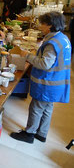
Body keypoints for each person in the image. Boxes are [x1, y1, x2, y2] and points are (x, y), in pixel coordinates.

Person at [10, 12, 71, 144]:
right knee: (47, 108)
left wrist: (27, 55)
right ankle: (41, 134)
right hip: (57, 82)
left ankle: (29, 134)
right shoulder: (63, 38)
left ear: (49, 25)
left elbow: (45, 64)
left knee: (36, 108)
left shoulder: (51, 43)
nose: (40, 26)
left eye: (42, 24)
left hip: (47, 83)